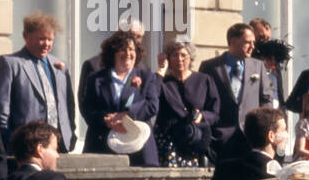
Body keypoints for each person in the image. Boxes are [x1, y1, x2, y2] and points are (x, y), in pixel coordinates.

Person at [0, 12, 77, 153]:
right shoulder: (10, 64)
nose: (47, 44)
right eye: (41, 39)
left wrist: (71, 133)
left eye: (51, 40)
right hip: (26, 147)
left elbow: (69, 105)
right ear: (26, 36)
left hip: (59, 146)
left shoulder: (59, 66)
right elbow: (1, 109)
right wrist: (9, 142)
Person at [79, 30, 161, 166]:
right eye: (122, 49)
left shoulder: (146, 77)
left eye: (131, 49)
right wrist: (105, 119)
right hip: (103, 144)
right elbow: (88, 109)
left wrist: (126, 115)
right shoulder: (96, 79)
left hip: (138, 146)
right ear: (113, 53)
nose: (128, 54)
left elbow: (152, 106)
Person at [199, 22, 272, 159]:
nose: (252, 47)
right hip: (220, 137)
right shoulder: (210, 67)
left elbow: (266, 98)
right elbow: (203, 100)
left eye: (253, 42)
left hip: (251, 138)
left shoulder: (258, 66)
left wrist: (261, 126)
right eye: (247, 42)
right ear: (233, 41)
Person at [155, 41, 220, 167]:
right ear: (168, 59)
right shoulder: (163, 82)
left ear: (190, 58)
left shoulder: (204, 80)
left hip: (196, 139)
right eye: (175, 55)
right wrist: (161, 69)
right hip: (169, 142)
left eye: (183, 55)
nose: (179, 59)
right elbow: (152, 98)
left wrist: (202, 116)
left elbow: (215, 112)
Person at [78, 17, 154, 102]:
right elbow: (85, 103)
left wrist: (128, 114)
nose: (135, 41)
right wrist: (105, 115)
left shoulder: (142, 70)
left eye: (139, 37)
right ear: (119, 35)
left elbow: (149, 103)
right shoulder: (93, 65)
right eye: (132, 35)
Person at [248, 17, 284, 103]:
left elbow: (280, 94)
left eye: (268, 39)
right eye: (261, 37)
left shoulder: (274, 62)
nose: (265, 42)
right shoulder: (245, 60)